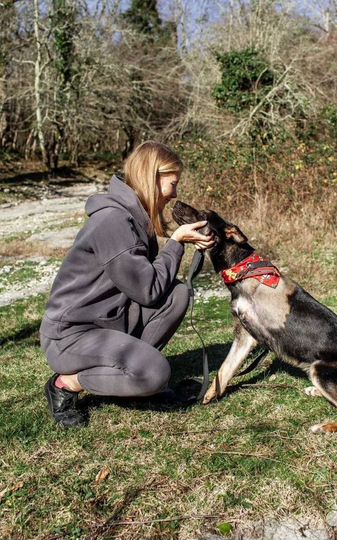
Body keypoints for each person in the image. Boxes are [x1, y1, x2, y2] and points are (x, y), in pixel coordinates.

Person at [40, 141, 215, 428]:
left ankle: (127, 377)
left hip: (107, 323)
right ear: (153, 178)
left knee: (177, 294)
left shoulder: (133, 216)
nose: (175, 193)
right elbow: (147, 290)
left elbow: (153, 286)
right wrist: (175, 243)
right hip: (71, 335)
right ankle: (66, 384)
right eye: (173, 184)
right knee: (156, 373)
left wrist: (179, 245)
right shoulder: (114, 220)